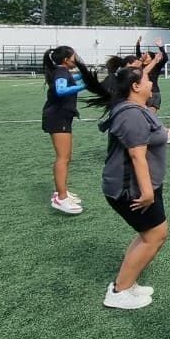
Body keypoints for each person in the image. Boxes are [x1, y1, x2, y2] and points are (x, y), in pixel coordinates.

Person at [91, 66, 170, 310]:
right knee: (155, 236)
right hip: (132, 189)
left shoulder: (137, 110)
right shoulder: (132, 115)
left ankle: (126, 282)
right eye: (147, 79)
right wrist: (147, 192)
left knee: (148, 235)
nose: (151, 83)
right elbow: (137, 156)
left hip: (140, 185)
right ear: (135, 86)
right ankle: (119, 291)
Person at [42, 45, 98, 215]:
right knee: (62, 158)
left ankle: (62, 191)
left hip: (63, 117)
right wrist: (83, 86)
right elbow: (61, 91)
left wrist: (87, 76)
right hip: (57, 117)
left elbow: (73, 78)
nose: (77, 58)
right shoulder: (61, 72)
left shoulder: (64, 71)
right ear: (66, 60)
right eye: (74, 56)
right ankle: (61, 197)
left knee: (67, 157)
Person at [136, 36, 169, 110]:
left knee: (150, 116)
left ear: (152, 59)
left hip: (154, 93)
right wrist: (138, 44)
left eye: (146, 56)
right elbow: (138, 55)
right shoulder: (140, 65)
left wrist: (161, 47)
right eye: (144, 55)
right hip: (142, 93)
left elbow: (165, 59)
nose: (144, 56)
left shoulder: (156, 66)